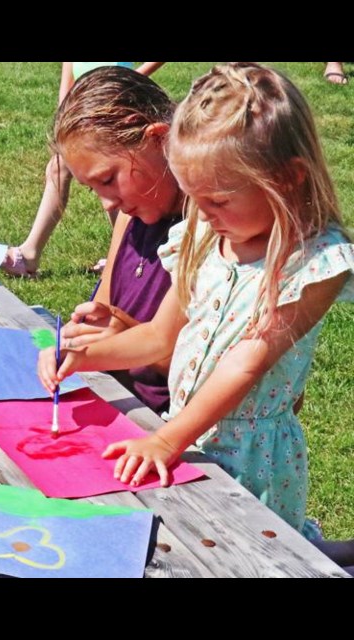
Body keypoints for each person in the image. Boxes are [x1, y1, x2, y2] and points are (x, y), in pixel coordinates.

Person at [39, 62, 354, 539]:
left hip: (252, 461)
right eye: (195, 198)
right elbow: (159, 336)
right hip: (187, 438)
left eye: (219, 201)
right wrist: (82, 356)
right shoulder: (208, 233)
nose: (202, 214)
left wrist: (167, 438)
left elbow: (247, 361)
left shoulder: (313, 262)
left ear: (287, 177)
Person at [37, 66, 184, 414]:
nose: (107, 202)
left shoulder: (206, 230)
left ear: (158, 139)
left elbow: (207, 368)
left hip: (168, 427)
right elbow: (101, 311)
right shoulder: (131, 218)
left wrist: (123, 336)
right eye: (94, 189)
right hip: (115, 404)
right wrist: (77, 337)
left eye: (108, 178)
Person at [1, 62, 164, 278]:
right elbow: (67, 86)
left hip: (117, 105)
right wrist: (67, 124)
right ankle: (31, 252)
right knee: (60, 167)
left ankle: (126, 254)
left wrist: (126, 80)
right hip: (84, 117)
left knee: (113, 182)